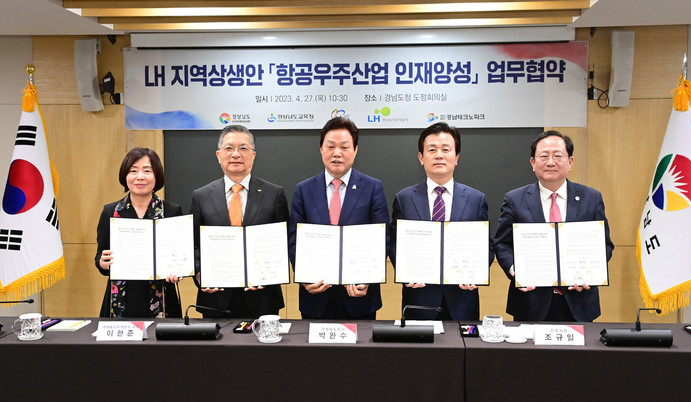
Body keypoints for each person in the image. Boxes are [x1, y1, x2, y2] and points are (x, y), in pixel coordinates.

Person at [493, 130, 613, 322]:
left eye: (558, 156)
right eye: (543, 156)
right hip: (530, 300)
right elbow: (502, 244)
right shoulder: (515, 199)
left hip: (579, 300)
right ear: (533, 163)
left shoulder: (591, 198)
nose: (550, 162)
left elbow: (604, 245)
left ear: (570, 162)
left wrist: (590, 273)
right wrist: (514, 268)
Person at [389, 122, 494, 321]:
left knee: (463, 342)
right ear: (421, 157)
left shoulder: (476, 199)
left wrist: (477, 273)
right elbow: (394, 244)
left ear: (457, 157)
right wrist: (404, 271)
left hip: (462, 298)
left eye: (446, 149)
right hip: (419, 298)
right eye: (432, 150)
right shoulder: (404, 198)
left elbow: (486, 246)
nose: (439, 155)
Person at [289, 117, 390, 319]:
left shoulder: (373, 188)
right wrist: (304, 278)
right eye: (330, 146)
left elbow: (383, 238)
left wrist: (368, 278)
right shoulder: (303, 189)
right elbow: (293, 239)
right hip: (315, 296)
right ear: (321, 149)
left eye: (344, 147)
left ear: (355, 150)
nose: (337, 153)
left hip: (359, 297)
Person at [190, 125, 289, 318]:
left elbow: (283, 242)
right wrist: (200, 274)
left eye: (243, 148)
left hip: (262, 298)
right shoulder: (201, 196)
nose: (236, 154)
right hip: (215, 297)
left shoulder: (274, 194)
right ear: (218, 155)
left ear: (253, 155)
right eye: (229, 148)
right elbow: (193, 245)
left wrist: (269, 274)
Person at [95, 147, 183, 318]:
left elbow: (179, 257)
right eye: (133, 171)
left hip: (163, 298)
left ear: (157, 175)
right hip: (123, 298)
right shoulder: (110, 212)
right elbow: (100, 255)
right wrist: (102, 262)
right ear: (125, 175)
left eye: (147, 171)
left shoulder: (172, 211)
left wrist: (179, 271)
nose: (140, 177)